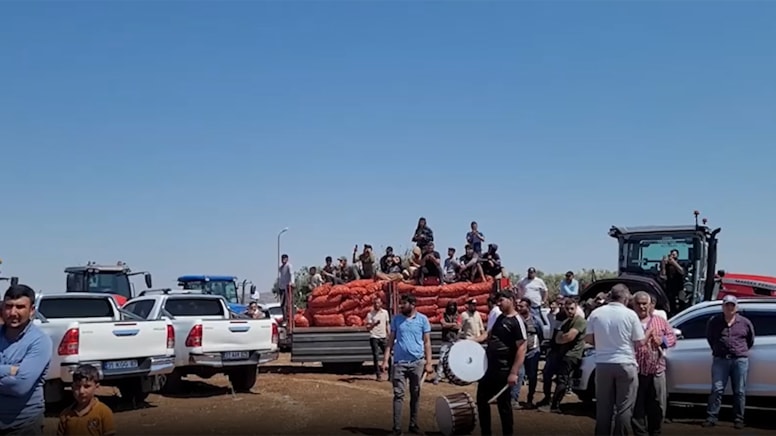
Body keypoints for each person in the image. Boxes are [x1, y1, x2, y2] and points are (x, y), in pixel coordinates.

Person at [585, 283, 645, 436]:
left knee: (603, 408)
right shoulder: (630, 315)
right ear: (625, 298)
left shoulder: (596, 313)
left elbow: (589, 339)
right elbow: (639, 341)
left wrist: (604, 343)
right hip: (626, 362)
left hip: (603, 364)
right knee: (624, 409)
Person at [0, 284, 53, 436]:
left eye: (20, 307)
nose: (13, 312)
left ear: (31, 310)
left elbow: (19, 386)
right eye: (8, 306)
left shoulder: (39, 341)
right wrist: (9, 370)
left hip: (23, 425)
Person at [474, 291, 526, 436]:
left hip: (504, 369)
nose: (498, 303)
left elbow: (522, 347)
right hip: (489, 368)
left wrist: (514, 372)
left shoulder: (517, 321)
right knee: (482, 401)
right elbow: (488, 335)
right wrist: (470, 341)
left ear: (511, 300)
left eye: (501, 300)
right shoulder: (500, 317)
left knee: (504, 405)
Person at [381, 294, 433, 436]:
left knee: (415, 394)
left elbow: (427, 342)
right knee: (398, 395)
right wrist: (385, 360)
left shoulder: (423, 320)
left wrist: (429, 362)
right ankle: (397, 428)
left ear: (413, 304)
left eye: (404, 303)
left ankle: (413, 425)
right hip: (399, 363)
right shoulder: (396, 319)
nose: (401, 306)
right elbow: (390, 341)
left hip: (417, 363)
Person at [702, 295, 754, 429]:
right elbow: (710, 338)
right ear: (723, 307)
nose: (729, 308)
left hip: (739, 360)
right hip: (720, 359)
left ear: (736, 307)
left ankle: (738, 419)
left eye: (732, 305)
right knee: (717, 389)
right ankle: (712, 417)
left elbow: (750, 340)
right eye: (727, 305)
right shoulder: (714, 321)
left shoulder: (745, 323)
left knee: (740, 391)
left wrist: (739, 351)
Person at [631, 292, 676, 436]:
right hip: (636, 371)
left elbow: (672, 337)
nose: (642, 307)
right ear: (633, 305)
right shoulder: (630, 321)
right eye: (638, 303)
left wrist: (662, 341)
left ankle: (655, 431)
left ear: (650, 305)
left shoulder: (660, 321)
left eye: (645, 303)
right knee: (637, 406)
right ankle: (640, 433)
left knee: (657, 405)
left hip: (656, 370)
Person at [538, 298, 586, 414]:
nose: (569, 311)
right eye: (567, 308)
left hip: (572, 355)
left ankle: (555, 406)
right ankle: (549, 401)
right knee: (554, 376)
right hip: (563, 353)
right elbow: (558, 337)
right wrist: (560, 338)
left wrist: (560, 337)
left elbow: (568, 337)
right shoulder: (566, 321)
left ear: (576, 308)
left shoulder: (579, 321)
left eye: (572, 308)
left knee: (562, 380)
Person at [56, 364, 116, 436]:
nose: (81, 391)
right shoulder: (65, 415)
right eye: (78, 386)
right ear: (72, 387)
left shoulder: (104, 412)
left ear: (96, 387)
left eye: (87, 386)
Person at [516, 298, 541, 409]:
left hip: (533, 351)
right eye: (518, 306)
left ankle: (530, 399)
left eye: (522, 306)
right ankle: (514, 399)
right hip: (520, 351)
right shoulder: (517, 320)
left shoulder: (535, 320)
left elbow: (540, 334)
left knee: (532, 376)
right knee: (519, 374)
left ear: (528, 307)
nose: (519, 308)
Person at [434, 301, 461, 384]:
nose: (452, 307)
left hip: (455, 340)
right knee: (441, 359)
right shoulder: (443, 315)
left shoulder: (458, 316)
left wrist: (449, 325)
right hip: (446, 340)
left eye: (453, 306)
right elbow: (443, 324)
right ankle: (438, 377)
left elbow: (458, 326)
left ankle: (452, 378)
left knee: (453, 360)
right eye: (450, 306)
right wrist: (453, 324)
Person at [365, 297, 391, 381]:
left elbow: (387, 324)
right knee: (376, 356)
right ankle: (378, 375)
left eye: (378, 303)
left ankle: (390, 375)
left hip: (383, 336)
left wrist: (389, 334)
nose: (377, 305)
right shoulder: (370, 314)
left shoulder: (385, 313)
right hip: (374, 337)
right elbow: (368, 328)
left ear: (381, 304)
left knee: (388, 355)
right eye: (375, 303)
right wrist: (374, 324)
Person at [278, 254, 294, 318]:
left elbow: (291, 274)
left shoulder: (289, 266)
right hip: (282, 287)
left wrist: (292, 282)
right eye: (282, 259)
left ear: (287, 259)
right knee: (282, 304)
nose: (283, 260)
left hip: (287, 287)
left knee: (287, 303)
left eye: (284, 258)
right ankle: (284, 317)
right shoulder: (281, 267)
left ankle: (289, 317)